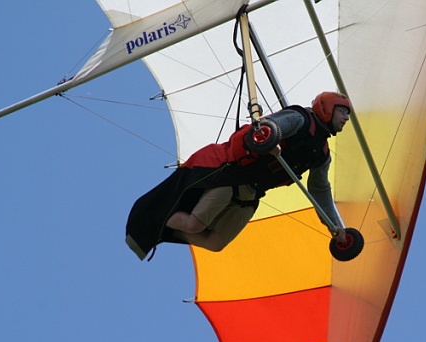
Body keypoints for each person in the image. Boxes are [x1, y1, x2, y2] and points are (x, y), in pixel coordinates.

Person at [125, 91, 351, 259]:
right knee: (194, 225)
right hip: (231, 174)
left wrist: (336, 227)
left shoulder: (322, 154)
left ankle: (167, 230)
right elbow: (269, 126)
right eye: (342, 111)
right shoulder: (300, 119)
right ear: (327, 108)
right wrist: (269, 140)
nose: (346, 118)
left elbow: (320, 191)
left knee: (215, 243)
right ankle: (157, 217)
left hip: (251, 193)